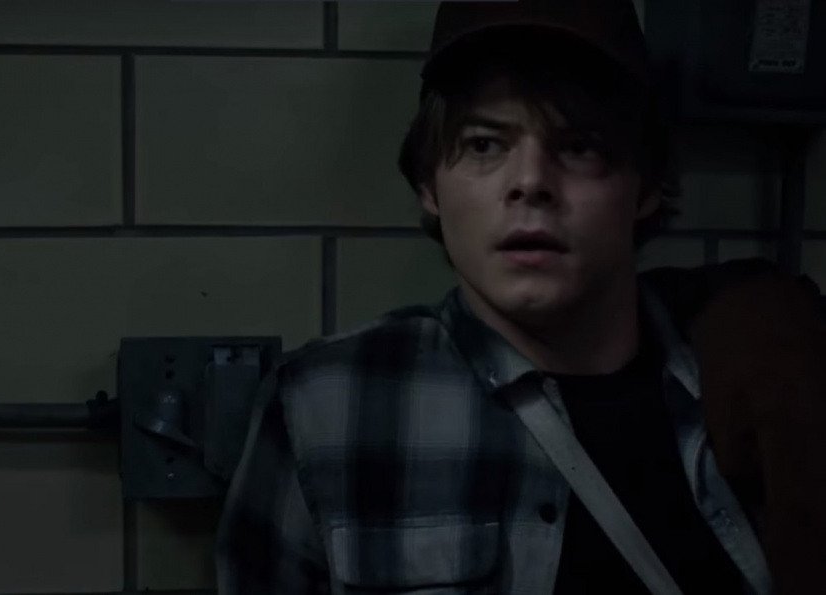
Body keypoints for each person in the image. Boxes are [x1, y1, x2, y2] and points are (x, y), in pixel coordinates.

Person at [215, 1, 778, 593]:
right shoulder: (324, 408)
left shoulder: (757, 382)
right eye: (484, 144)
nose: (530, 182)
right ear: (430, 185)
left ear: (645, 186)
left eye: (579, 146)